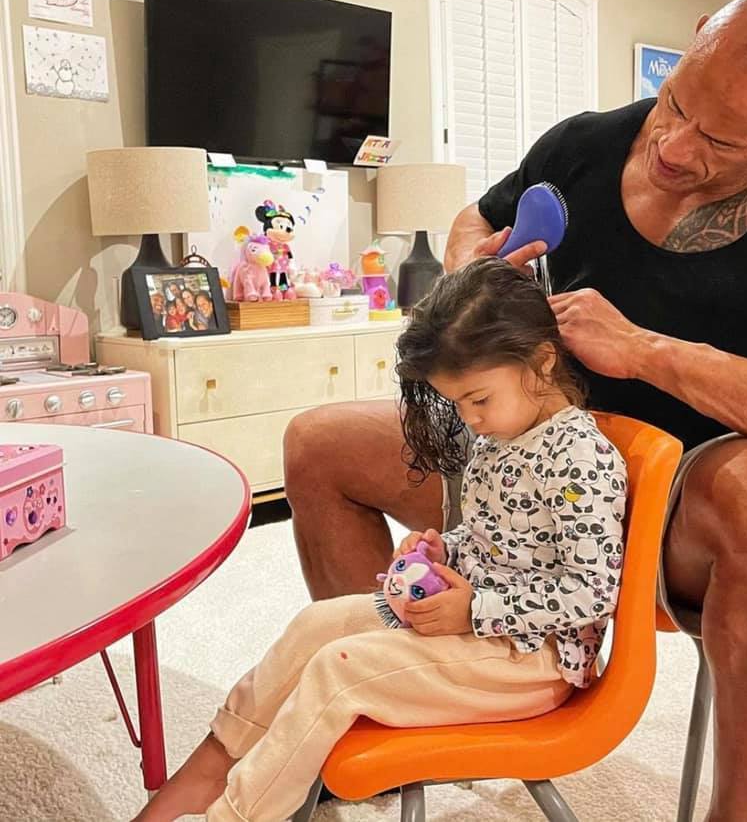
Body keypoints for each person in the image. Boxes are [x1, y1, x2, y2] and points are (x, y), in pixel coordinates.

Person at [283, 0, 747, 822]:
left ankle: (738, 814)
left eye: (723, 140)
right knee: (318, 442)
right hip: (517, 470)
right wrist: (471, 268)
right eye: (678, 104)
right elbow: (472, 220)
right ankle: (407, 698)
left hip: (678, 509)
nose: (675, 145)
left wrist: (651, 354)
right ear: (697, 38)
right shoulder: (586, 144)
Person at [134, 259, 627, 822]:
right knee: (313, 627)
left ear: (541, 362)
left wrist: (476, 607)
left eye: (479, 400)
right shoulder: (505, 435)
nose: (471, 419)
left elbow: (591, 592)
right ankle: (217, 759)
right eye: (459, 405)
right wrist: (449, 550)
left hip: (531, 662)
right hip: (482, 636)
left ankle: (237, 813)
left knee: (339, 668)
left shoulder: (581, 461)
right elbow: (503, 539)